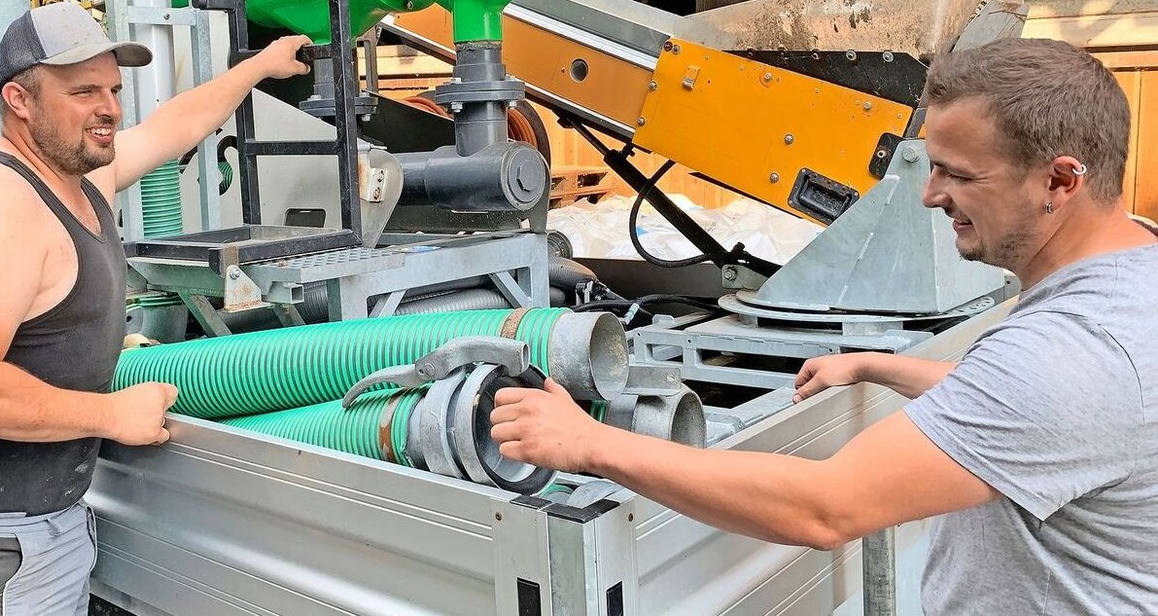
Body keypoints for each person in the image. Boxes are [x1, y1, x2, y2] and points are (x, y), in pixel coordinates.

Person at [492, 37, 1158, 614]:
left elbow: (824, 507)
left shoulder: (1071, 350)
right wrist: (874, 365)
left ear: (1060, 181)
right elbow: (1024, 411)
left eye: (957, 173)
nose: (930, 195)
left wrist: (589, 443)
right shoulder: (1131, 276)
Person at [0, 1, 311, 615]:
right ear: (19, 100)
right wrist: (110, 415)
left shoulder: (75, 179)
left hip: (32, 536)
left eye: (113, 90)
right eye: (82, 92)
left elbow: (173, 125)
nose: (110, 109)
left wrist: (259, 66)